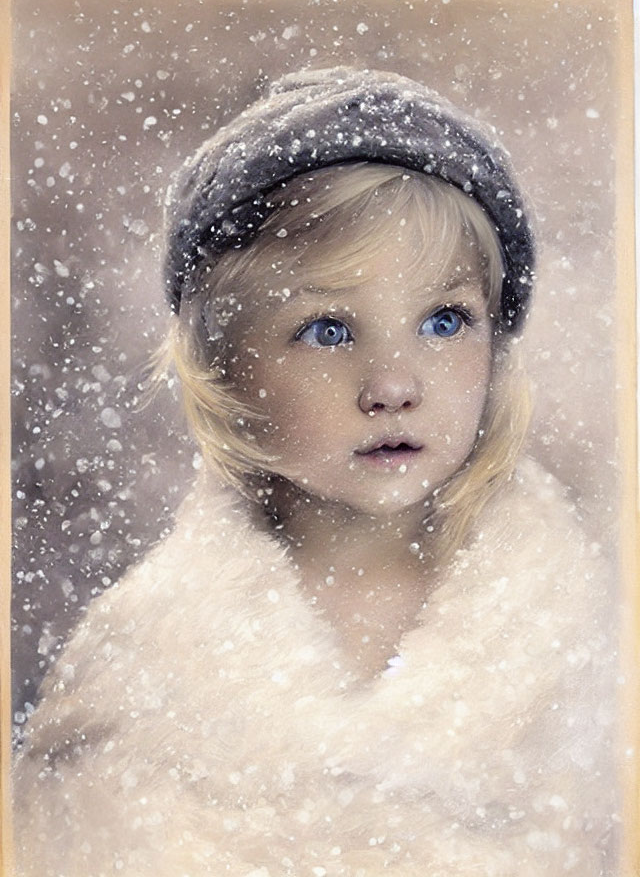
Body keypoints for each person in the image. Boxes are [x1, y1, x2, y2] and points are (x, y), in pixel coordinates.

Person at [12, 67, 619, 876]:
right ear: (226, 367)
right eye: (329, 330)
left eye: (444, 321)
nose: (394, 385)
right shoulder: (139, 670)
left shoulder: (586, 640)